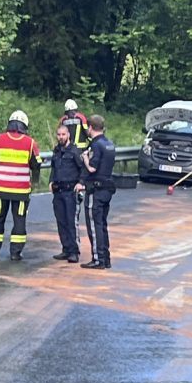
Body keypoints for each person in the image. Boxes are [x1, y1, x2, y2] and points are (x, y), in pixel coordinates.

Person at [0, 108, 40, 260]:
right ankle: (15, 253)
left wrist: (0, 166)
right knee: (19, 220)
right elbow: (37, 164)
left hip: (0, 188)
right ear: (24, 125)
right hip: (21, 191)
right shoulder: (30, 143)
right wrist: (34, 180)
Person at [79, 113, 115, 268]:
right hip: (107, 188)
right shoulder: (109, 144)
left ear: (91, 127)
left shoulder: (95, 145)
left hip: (96, 189)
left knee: (94, 225)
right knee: (102, 224)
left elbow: (92, 168)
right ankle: (105, 258)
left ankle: (98, 259)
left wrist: (85, 159)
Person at [49, 119, 84, 262]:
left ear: (68, 135)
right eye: (59, 134)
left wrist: (81, 183)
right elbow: (53, 167)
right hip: (58, 191)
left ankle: (74, 251)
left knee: (71, 222)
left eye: (63, 134)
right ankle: (65, 248)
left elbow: (83, 168)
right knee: (61, 222)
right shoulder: (56, 151)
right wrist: (51, 181)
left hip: (71, 191)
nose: (61, 137)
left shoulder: (75, 151)